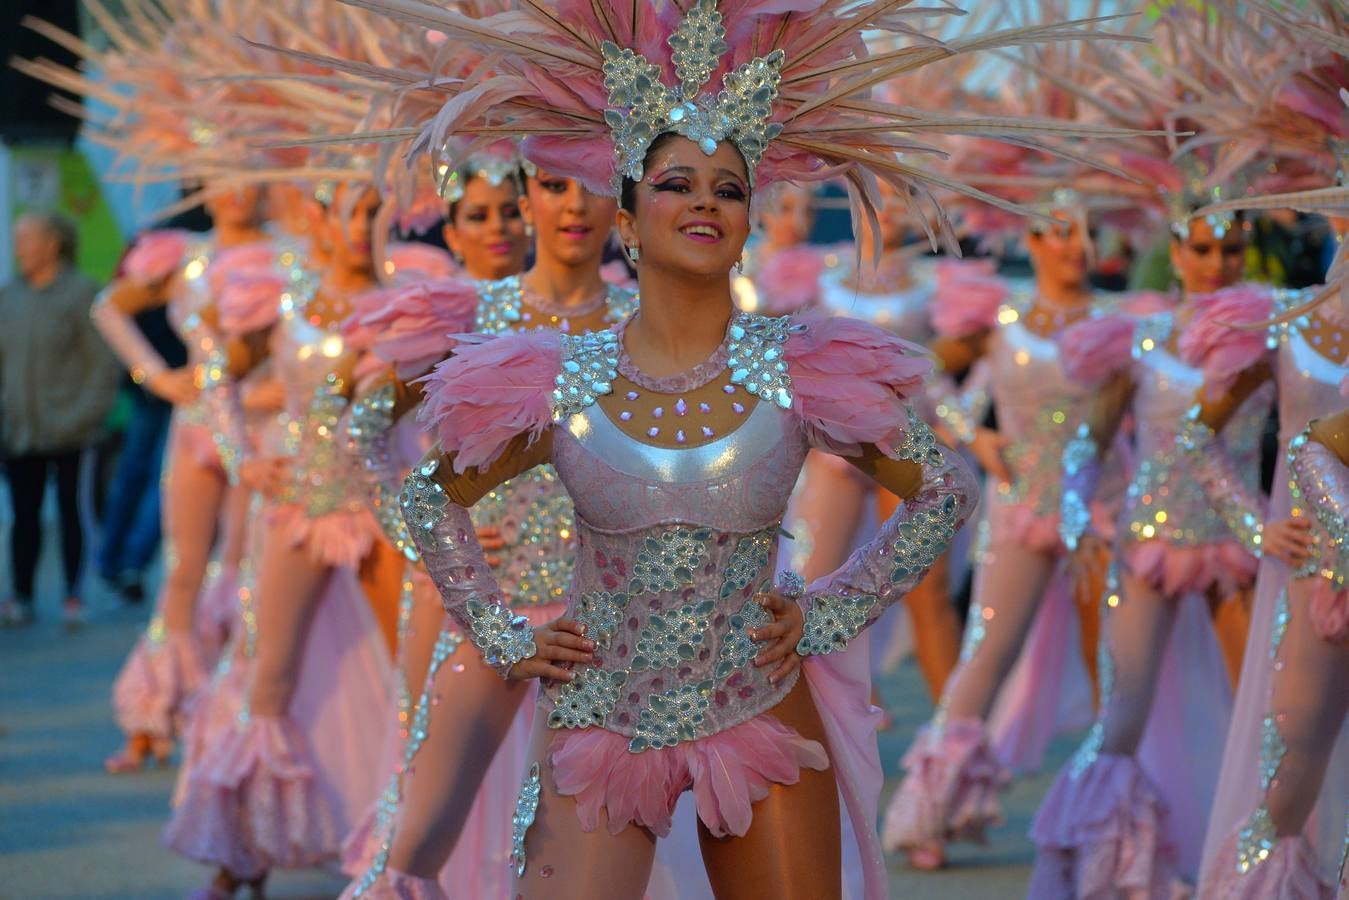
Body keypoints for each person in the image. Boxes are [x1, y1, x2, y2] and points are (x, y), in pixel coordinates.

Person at [0, 210, 116, 628]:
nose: (18, 250)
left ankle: (74, 595)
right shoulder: (8, 296)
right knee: (24, 517)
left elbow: (103, 365)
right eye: (16, 241)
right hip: (22, 431)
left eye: (26, 240)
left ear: (52, 244)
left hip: (74, 431)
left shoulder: (83, 293)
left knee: (73, 514)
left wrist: (81, 416)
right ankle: (21, 597)